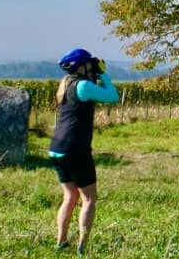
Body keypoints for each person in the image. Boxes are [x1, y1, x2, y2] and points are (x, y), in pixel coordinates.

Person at [49, 48, 119, 253]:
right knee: (89, 198)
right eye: (90, 64)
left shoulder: (65, 84)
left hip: (57, 147)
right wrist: (103, 73)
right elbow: (113, 96)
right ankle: (82, 246)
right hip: (75, 148)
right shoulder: (84, 86)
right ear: (82, 66)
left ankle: (61, 242)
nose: (93, 66)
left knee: (69, 197)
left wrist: (94, 70)